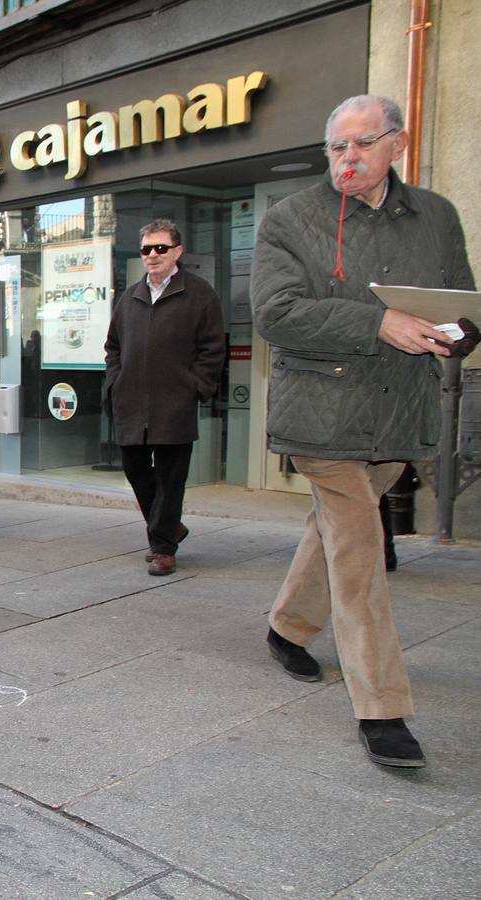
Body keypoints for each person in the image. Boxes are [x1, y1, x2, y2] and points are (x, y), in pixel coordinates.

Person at [251, 94, 476, 769]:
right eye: (337, 147)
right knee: (359, 550)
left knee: (332, 529)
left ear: (397, 146)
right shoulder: (291, 219)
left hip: (399, 414)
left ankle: (287, 628)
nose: (348, 157)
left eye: (363, 143)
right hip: (322, 416)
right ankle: (383, 709)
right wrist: (377, 323)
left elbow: (462, 299)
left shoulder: (437, 216)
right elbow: (275, 311)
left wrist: (459, 335)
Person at [104, 219, 225, 577]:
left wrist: (195, 386)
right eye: (146, 249)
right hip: (130, 402)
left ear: (177, 252)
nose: (153, 255)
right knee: (136, 471)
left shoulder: (200, 294)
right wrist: (114, 381)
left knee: (171, 478)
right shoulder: (131, 296)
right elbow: (113, 346)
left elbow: (213, 349)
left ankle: (162, 548)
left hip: (174, 402)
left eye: (160, 248)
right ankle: (169, 527)